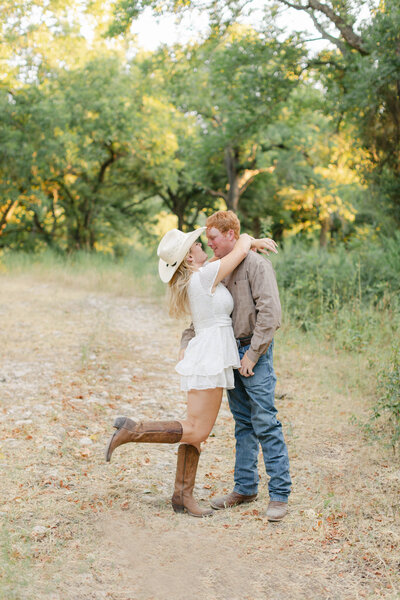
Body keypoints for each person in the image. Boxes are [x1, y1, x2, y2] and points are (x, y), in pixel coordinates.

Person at [105, 226, 274, 518]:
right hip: (211, 354)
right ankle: (134, 430)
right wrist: (252, 239)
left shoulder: (200, 275)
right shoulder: (205, 275)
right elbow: (242, 246)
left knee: (193, 430)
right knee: (198, 429)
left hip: (208, 351)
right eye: (196, 244)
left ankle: (182, 495)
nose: (201, 245)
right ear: (188, 259)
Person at [180, 211, 291, 521]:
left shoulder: (256, 264)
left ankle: (280, 495)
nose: (210, 244)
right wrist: (185, 344)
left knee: (266, 422)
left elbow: (271, 314)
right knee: (243, 424)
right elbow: (203, 317)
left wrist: (253, 356)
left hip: (252, 353)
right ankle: (244, 488)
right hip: (228, 354)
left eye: (213, 238)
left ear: (231, 235)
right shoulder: (218, 270)